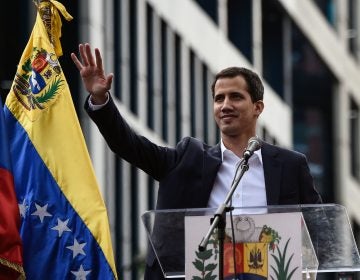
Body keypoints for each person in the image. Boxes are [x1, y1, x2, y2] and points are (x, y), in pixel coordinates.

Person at [71, 43, 322, 280]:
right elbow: (128, 145)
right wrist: (101, 101)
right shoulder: (187, 159)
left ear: (257, 107)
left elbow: (320, 232)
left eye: (235, 97)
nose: (225, 105)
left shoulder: (290, 166)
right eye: (219, 98)